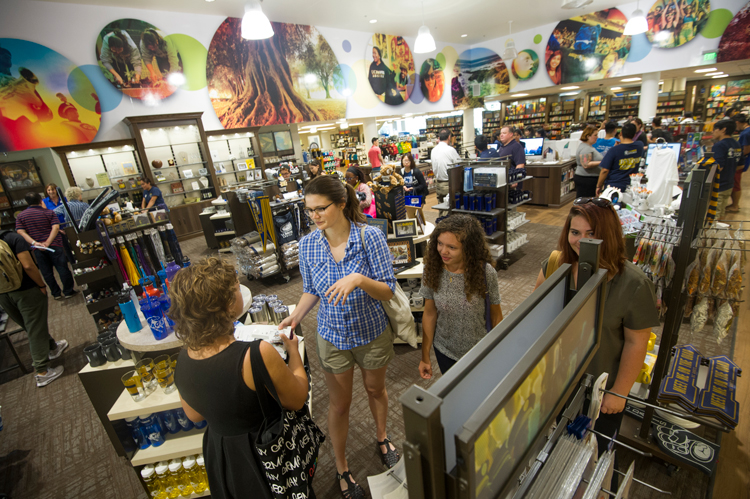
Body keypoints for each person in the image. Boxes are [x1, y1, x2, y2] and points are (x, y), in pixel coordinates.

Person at [279, 175, 400, 498]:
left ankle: (382, 436)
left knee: (375, 389)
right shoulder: (308, 244)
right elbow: (311, 290)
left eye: (321, 208)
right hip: (332, 335)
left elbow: (388, 290)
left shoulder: (369, 236)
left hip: (371, 330)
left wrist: (359, 279)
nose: (315, 216)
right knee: (340, 404)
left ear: (342, 204)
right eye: (309, 210)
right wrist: (296, 316)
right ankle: (342, 466)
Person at [533, 198, 659, 470]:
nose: (581, 241)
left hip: (600, 390)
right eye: (575, 232)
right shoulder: (555, 265)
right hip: (556, 380)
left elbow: (636, 342)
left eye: (591, 233)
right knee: (555, 446)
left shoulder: (634, 284)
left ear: (608, 234)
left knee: (596, 456)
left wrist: (619, 392)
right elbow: (535, 317)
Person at [172, 257, 310, 498]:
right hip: (267, 452)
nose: (241, 292)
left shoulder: (184, 357)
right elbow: (298, 398)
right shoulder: (255, 354)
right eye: (237, 288)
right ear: (227, 305)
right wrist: (294, 352)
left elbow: (194, 415)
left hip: (222, 454)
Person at [418, 215, 502, 377]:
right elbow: (429, 313)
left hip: (479, 351)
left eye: (452, 247)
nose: (443, 251)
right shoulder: (432, 269)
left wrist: (497, 350)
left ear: (469, 248)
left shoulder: (485, 272)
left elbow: (496, 316)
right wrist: (425, 356)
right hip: (444, 351)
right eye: (440, 243)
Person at [15, 192, 77, 300]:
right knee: (62, 268)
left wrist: (34, 243)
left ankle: (56, 293)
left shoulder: (21, 216)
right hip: (54, 244)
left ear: (27, 202)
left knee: (46, 272)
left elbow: (20, 231)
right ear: (40, 201)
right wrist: (48, 242)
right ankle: (68, 291)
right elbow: (55, 228)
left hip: (37, 248)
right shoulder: (49, 212)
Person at [596, 123, 644, 195]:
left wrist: (598, 186)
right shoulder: (640, 145)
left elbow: (604, 170)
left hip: (614, 186)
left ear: (621, 133)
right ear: (634, 135)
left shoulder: (614, 150)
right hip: (631, 185)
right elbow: (628, 149)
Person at [711, 119, 742, 219]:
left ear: (723, 130)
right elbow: (741, 165)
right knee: (721, 212)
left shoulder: (719, 145)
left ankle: (713, 229)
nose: (712, 132)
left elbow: (718, 167)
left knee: (714, 214)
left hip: (719, 185)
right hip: (729, 183)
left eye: (715, 129)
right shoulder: (736, 144)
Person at [431, 129, 461, 206]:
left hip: (438, 184)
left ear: (439, 137)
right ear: (449, 137)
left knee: (441, 207)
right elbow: (460, 164)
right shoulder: (450, 150)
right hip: (448, 184)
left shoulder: (433, 150)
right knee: (449, 207)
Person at [729, 114, 750, 213]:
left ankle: (735, 205)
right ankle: (734, 204)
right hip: (743, 160)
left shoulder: (745, 133)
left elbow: (746, 150)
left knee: (736, 182)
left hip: (741, 161)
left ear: (737, 122)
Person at [575, 126, 603, 198]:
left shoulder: (587, 147)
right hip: (586, 179)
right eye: (595, 135)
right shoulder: (586, 148)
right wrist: (602, 162)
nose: (597, 137)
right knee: (586, 200)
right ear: (588, 136)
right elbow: (586, 164)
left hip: (589, 178)